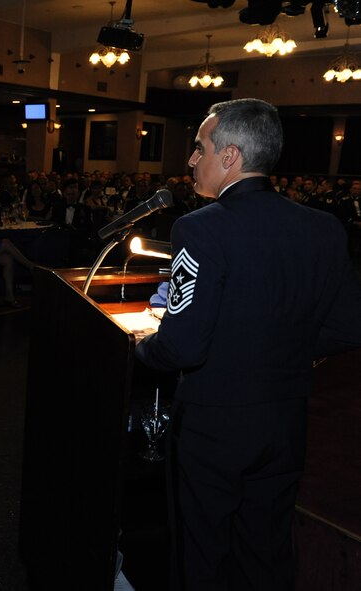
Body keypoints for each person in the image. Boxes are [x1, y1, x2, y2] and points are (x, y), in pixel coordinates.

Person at [134, 98, 361, 591]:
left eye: (200, 148)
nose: (192, 159)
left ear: (231, 156)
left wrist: (141, 346)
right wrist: (280, 347)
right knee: (266, 549)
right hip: (285, 420)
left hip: (215, 423)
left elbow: (183, 347)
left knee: (202, 549)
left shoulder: (200, 228)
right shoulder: (324, 228)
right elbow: (349, 326)